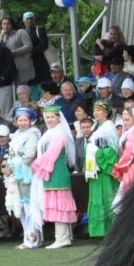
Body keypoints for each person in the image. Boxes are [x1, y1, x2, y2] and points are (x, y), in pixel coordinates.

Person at [31, 103, 79, 248]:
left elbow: (51, 155)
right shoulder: (49, 133)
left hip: (56, 171)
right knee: (57, 204)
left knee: (60, 205)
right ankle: (64, 236)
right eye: (47, 117)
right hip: (50, 172)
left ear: (59, 118)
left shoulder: (59, 134)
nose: (50, 120)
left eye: (52, 117)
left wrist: (36, 167)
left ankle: (63, 237)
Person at [83, 101, 122, 238]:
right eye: (94, 110)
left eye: (99, 110)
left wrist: (96, 152)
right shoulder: (96, 127)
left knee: (107, 198)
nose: (96, 113)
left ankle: (112, 231)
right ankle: (101, 232)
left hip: (104, 172)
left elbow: (112, 152)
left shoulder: (108, 128)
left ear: (106, 112)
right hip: (96, 171)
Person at [7, 106, 43, 248]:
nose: (22, 122)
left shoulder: (32, 135)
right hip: (16, 175)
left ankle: (33, 238)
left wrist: (15, 163)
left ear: (30, 121)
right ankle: (27, 236)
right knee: (20, 207)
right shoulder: (16, 135)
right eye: (20, 120)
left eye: (25, 120)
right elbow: (11, 154)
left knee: (30, 206)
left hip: (27, 174)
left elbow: (29, 156)